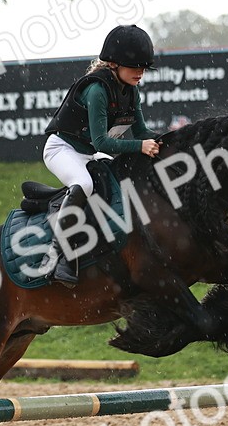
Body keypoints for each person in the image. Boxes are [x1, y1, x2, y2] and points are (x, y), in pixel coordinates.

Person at [42, 24, 161, 285]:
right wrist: (141, 147)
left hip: (89, 154)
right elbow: (102, 142)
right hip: (62, 149)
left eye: (143, 67)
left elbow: (140, 130)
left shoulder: (131, 89)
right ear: (114, 64)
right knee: (83, 183)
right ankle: (59, 254)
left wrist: (170, 139)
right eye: (135, 67)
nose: (140, 73)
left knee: (120, 179)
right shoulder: (97, 90)